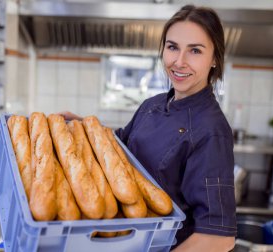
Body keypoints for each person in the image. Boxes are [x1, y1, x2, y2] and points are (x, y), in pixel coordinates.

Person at [61, 5, 236, 251]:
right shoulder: (153, 105)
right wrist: (83, 126)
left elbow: (219, 238)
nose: (179, 61)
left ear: (215, 58)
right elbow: (119, 148)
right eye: (172, 47)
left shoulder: (211, 130)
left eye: (195, 51)